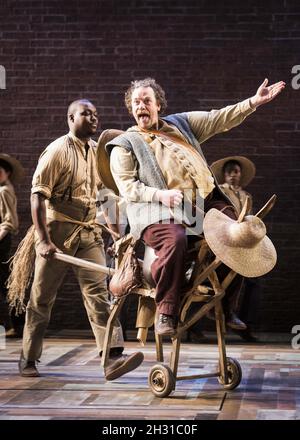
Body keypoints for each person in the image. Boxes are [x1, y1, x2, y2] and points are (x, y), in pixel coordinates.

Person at [104, 77, 285, 337]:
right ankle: (166, 310)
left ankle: (224, 304)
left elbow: (217, 119)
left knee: (240, 231)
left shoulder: (181, 124)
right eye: (136, 102)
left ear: (158, 105)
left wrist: (253, 102)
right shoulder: (124, 145)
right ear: (130, 109)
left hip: (204, 202)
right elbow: (127, 187)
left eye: (147, 100)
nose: (141, 106)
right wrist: (161, 195)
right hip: (157, 211)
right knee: (175, 239)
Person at [17, 99, 143, 379]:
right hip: (57, 232)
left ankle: (111, 357)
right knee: (41, 299)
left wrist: (116, 235)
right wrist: (43, 240)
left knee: (99, 293)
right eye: (86, 114)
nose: (93, 118)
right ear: (71, 119)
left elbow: (105, 197)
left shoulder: (98, 153)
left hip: (88, 232)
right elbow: (37, 196)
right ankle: (28, 357)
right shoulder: (57, 151)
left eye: (95, 114)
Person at [211, 156, 261, 342]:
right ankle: (222, 315)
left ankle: (244, 323)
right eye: (229, 172)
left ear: (240, 175)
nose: (232, 176)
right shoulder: (220, 192)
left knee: (254, 280)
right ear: (224, 175)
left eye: (236, 172)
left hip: (242, 241)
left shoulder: (246, 196)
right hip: (223, 239)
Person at [0, 154, 24, 338]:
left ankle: (18, 325)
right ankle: (17, 325)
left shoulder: (4, 191)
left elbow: (10, 222)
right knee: (7, 284)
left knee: (7, 285)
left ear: (7, 173)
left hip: (1, 242)